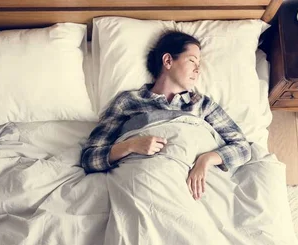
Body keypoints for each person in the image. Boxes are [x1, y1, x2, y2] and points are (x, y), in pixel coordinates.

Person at [81, 31, 252, 200]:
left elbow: (243, 148)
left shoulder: (202, 104)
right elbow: (90, 158)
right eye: (192, 61)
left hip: (194, 191)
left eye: (199, 63)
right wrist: (130, 145)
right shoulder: (128, 101)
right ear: (168, 60)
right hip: (144, 184)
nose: (198, 69)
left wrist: (206, 160)